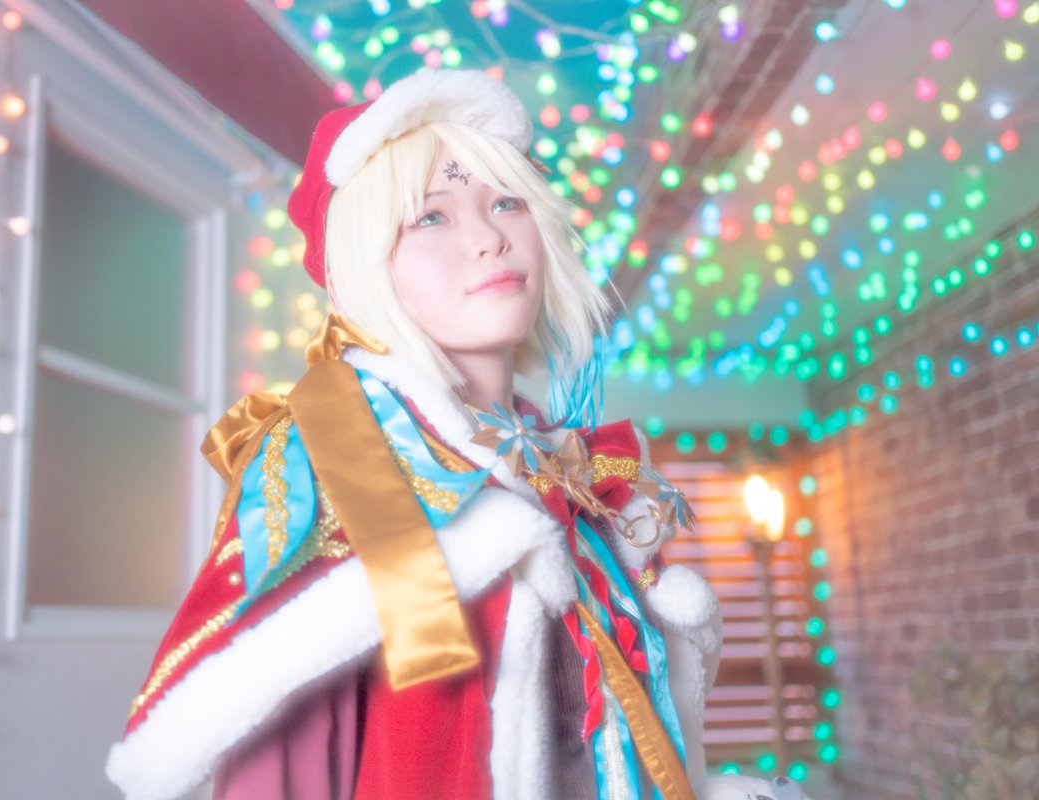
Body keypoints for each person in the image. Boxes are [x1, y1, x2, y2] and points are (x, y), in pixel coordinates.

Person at [106, 69, 792, 800]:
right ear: (367, 261)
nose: (490, 237)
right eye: (431, 216)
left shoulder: (575, 473)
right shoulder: (332, 463)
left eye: (506, 201)